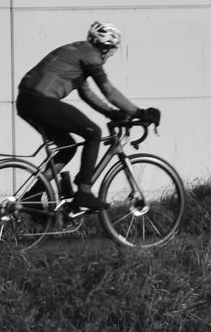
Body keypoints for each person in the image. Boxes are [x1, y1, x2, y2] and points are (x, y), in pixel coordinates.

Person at [15, 21, 159, 210]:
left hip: (26, 101)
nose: (110, 55)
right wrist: (139, 112)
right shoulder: (91, 55)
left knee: (67, 148)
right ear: (106, 47)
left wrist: (111, 113)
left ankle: (32, 196)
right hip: (42, 100)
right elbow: (108, 91)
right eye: (112, 51)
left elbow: (87, 94)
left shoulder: (78, 52)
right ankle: (84, 193)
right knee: (93, 132)